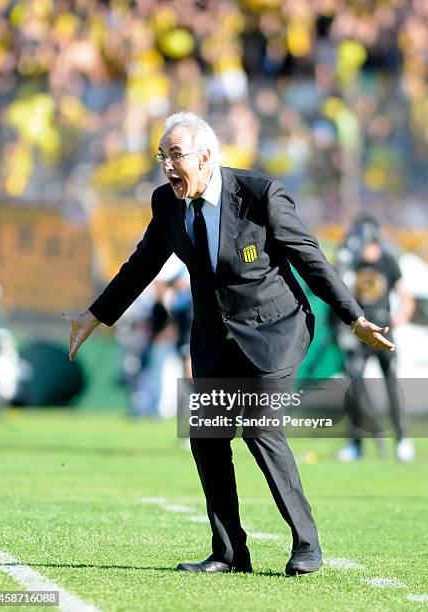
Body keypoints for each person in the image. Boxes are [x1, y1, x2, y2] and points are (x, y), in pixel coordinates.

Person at [62, 112, 394, 576]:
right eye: (162, 157)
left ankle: (306, 544)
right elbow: (142, 266)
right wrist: (95, 314)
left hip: (276, 330)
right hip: (216, 337)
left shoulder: (261, 196)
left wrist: (355, 316)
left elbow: (311, 260)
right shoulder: (167, 203)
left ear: (206, 157)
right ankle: (230, 552)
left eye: (175, 156)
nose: (167, 167)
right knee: (208, 436)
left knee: (260, 428)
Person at [335, 215, 415, 462]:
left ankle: (402, 440)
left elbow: (406, 298)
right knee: (356, 390)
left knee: (392, 386)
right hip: (360, 334)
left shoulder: (388, 262)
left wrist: (397, 321)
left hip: (383, 335)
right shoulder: (353, 262)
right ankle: (356, 444)